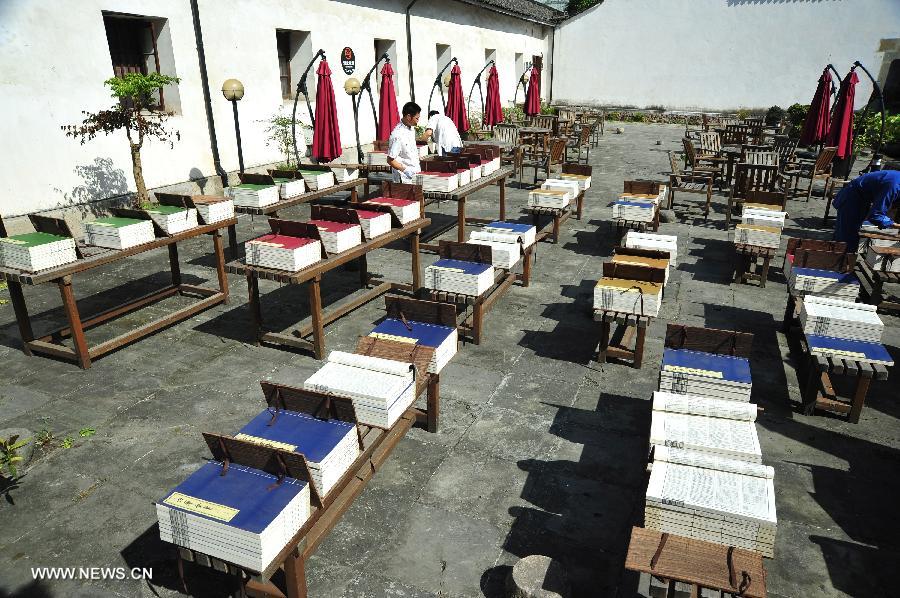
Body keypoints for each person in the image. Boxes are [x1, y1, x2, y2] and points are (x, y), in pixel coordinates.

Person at [832, 170, 900, 251]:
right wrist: (895, 225)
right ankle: (840, 259)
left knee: (850, 233)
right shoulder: (893, 185)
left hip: (862, 198)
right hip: (852, 198)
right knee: (847, 237)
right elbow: (876, 215)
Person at [386, 102, 422, 183]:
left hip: (415, 174)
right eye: (417, 118)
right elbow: (390, 160)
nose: (417, 121)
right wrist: (405, 170)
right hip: (404, 178)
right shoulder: (398, 135)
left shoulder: (411, 129)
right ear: (409, 117)